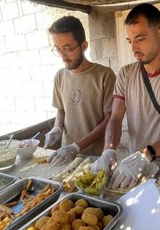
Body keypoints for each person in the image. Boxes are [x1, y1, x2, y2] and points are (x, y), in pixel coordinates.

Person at [91, 3, 160, 189]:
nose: (134, 47)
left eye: (140, 38)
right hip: (135, 171)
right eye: (130, 41)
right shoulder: (126, 74)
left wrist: (147, 154)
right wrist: (108, 149)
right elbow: (116, 117)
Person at [44, 16, 116, 166]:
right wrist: (57, 127)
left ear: (84, 46)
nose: (63, 56)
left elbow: (109, 120)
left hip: (94, 158)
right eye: (58, 49)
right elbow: (61, 109)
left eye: (68, 49)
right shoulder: (60, 76)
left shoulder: (105, 75)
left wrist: (77, 146)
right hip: (65, 157)